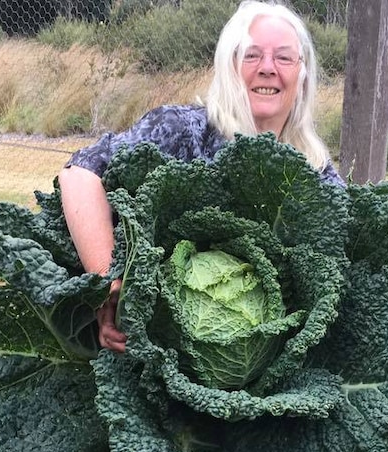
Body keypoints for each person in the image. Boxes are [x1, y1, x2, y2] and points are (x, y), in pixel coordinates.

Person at [58, 0, 343, 353]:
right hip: (145, 353)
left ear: (302, 75)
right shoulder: (183, 132)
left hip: (269, 380)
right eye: (251, 55)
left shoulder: (315, 177)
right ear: (228, 66)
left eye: (284, 57)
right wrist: (109, 286)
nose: (268, 68)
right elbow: (81, 174)